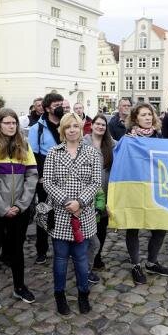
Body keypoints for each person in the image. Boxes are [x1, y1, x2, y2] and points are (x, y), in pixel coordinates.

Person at [43, 112, 101, 315]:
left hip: (83, 214)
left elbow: (96, 182)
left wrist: (80, 202)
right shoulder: (54, 153)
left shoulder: (92, 153)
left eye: (75, 126)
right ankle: (60, 295)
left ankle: (83, 294)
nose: (72, 130)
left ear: (81, 127)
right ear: (62, 130)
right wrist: (68, 202)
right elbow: (48, 182)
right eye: (68, 127)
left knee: (81, 257)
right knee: (60, 258)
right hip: (61, 213)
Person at [0, 108, 38, 310]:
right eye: (7, 122)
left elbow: (32, 176)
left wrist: (21, 205)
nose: (11, 126)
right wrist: (2, 208)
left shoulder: (24, 145)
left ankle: (19, 286)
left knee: (17, 250)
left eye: (14, 122)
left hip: (18, 210)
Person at [124, 102, 168, 284]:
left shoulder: (159, 136)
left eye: (149, 115)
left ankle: (152, 262)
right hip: (136, 187)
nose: (147, 118)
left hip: (156, 188)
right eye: (143, 115)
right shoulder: (129, 139)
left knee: (160, 226)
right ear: (135, 118)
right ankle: (136, 265)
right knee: (133, 226)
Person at [28, 93, 65, 264]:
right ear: (48, 107)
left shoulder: (66, 123)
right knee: (44, 213)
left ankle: (64, 247)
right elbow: (34, 156)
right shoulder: (38, 128)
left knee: (64, 213)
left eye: (61, 104)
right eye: (56, 104)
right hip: (45, 178)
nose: (60, 107)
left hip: (65, 177)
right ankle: (41, 250)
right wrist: (40, 177)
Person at [83, 113, 115, 279]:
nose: (101, 127)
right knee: (89, 229)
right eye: (98, 124)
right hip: (88, 193)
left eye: (103, 125)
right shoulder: (83, 142)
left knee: (102, 228)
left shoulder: (111, 144)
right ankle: (84, 259)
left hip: (105, 192)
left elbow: (126, 147)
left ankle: (97, 257)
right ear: (92, 125)